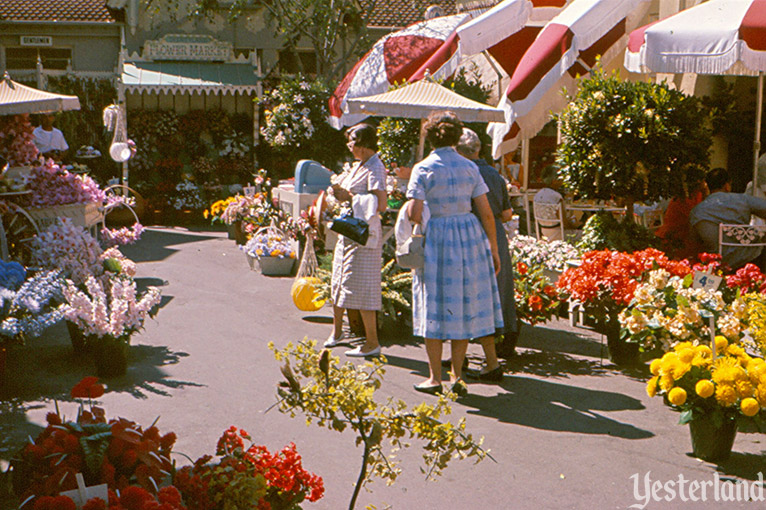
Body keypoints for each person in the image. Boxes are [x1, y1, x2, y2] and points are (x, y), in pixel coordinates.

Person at [406, 111, 504, 396]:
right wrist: (493, 249)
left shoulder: (423, 168)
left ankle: (434, 377)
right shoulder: (469, 167)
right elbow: (486, 212)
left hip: (438, 235)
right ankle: (457, 376)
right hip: (468, 235)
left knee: (433, 302)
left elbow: (414, 213)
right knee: (461, 303)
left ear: (429, 135)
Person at [456, 128, 518, 375]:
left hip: (467, 235)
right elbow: (507, 214)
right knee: (493, 294)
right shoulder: (493, 174)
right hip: (495, 239)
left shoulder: (462, 173)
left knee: (464, 295)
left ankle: (459, 359)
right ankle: (492, 358)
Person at [324, 123, 388, 357]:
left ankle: (372, 342)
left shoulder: (375, 167)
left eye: (353, 140)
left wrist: (349, 196)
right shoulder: (359, 166)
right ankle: (337, 331)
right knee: (340, 280)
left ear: (364, 143)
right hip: (350, 232)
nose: (349, 145)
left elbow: (380, 204)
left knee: (362, 286)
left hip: (363, 235)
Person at [690, 167, 766, 269]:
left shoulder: (696, 211)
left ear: (708, 186)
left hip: (716, 265)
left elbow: (695, 241)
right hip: (750, 261)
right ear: (727, 186)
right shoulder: (743, 200)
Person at [655, 167, 707, 260]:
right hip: (676, 240)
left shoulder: (698, 195)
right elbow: (697, 218)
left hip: (688, 237)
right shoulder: (681, 200)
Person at [533, 165, 575, 239]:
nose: (562, 181)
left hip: (544, 232)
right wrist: (574, 226)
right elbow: (563, 221)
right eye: (560, 179)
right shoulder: (557, 197)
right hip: (559, 233)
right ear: (554, 181)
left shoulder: (537, 195)